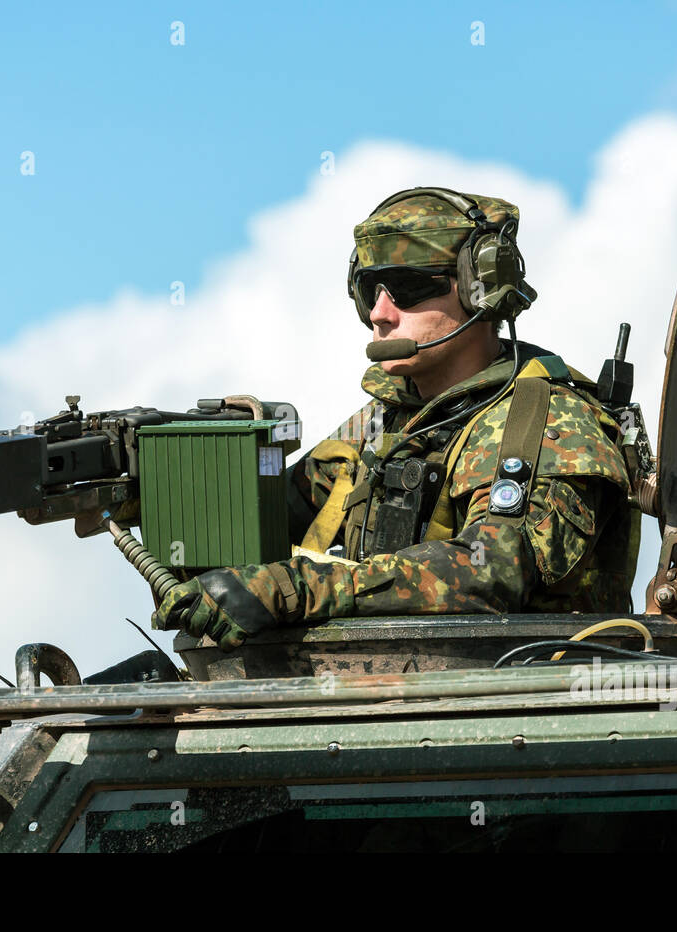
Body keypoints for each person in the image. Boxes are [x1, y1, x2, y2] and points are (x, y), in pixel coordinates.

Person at [153, 188, 639, 649]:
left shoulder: (548, 420)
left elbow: (491, 571)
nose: (380, 314)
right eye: (369, 291)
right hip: (391, 689)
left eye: (406, 289)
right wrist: (151, 489)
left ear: (481, 289)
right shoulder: (386, 420)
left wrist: (300, 588)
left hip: (516, 699)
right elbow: (269, 521)